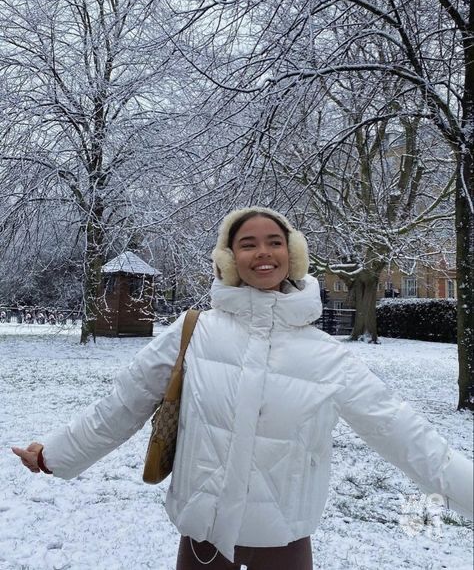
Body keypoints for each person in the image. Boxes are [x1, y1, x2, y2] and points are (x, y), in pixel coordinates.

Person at [12, 207, 473, 570]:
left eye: (275, 242)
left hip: (283, 543)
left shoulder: (325, 355)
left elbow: (403, 431)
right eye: (247, 244)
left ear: (292, 255)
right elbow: (121, 404)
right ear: (230, 259)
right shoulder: (194, 331)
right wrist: (55, 454)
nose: (263, 253)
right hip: (203, 543)